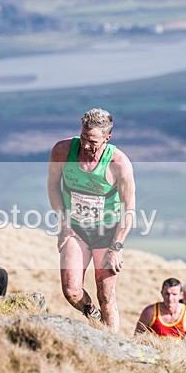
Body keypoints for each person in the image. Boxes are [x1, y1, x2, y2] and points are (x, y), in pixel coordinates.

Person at [47, 108, 135, 332]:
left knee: (105, 294)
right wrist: (63, 222)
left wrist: (117, 247)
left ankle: (114, 344)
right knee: (71, 290)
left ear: (107, 138)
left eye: (93, 141)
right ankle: (95, 319)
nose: (86, 145)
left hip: (107, 232)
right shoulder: (63, 150)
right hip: (75, 229)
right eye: (83, 137)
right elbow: (53, 186)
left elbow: (129, 210)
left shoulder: (119, 163)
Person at [134, 278, 186, 345]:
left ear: (181, 295)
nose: (170, 298)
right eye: (167, 294)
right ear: (162, 294)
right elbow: (136, 339)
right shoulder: (149, 313)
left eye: (174, 294)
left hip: (175, 354)